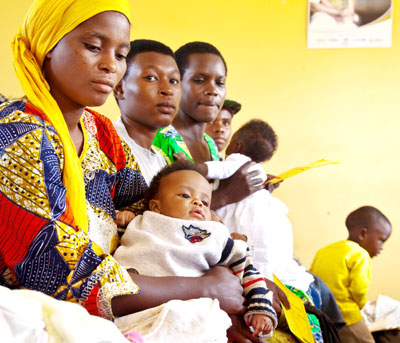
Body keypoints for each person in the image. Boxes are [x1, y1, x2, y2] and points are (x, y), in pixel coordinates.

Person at [0, 0, 247, 326]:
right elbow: (55, 269)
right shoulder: (17, 135)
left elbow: (157, 207)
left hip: (104, 304)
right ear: (47, 44)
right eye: (93, 47)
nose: (110, 66)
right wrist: (201, 287)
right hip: (33, 314)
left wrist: (225, 261)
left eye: (120, 55)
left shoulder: (98, 131)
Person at [114, 161, 278, 339]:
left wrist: (260, 307)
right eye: (185, 195)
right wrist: (121, 218)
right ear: (155, 207)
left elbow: (247, 271)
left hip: (188, 312)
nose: (198, 203)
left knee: (206, 321)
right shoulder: (141, 222)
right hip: (135, 309)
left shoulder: (213, 234)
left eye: (205, 202)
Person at [310, 206, 392, 343]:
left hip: (322, 313)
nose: (382, 247)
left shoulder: (324, 251)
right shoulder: (360, 254)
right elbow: (359, 289)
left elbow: (311, 278)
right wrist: (361, 305)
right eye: (381, 240)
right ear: (363, 234)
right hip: (346, 315)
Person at [113, 39, 179, 186]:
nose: (168, 90)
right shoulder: (105, 146)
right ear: (119, 88)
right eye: (151, 78)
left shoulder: (162, 160)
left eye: (174, 81)